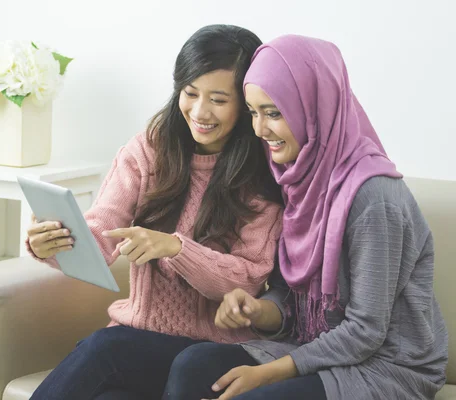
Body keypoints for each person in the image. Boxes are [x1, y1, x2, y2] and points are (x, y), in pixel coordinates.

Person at [163, 34, 449, 400]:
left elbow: (366, 331)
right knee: (192, 365)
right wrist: (258, 309)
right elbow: (289, 296)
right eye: (253, 112)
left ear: (315, 108)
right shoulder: (298, 182)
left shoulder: (375, 199)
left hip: (388, 366)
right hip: (314, 346)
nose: (259, 130)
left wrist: (267, 374)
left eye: (273, 113)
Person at [26, 24, 284, 400]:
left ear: (245, 104)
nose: (199, 111)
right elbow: (101, 236)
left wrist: (176, 249)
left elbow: (246, 279)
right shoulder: (148, 150)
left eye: (218, 99)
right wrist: (53, 242)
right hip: (137, 341)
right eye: (190, 93)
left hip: (212, 352)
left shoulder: (260, 173)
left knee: (104, 348)